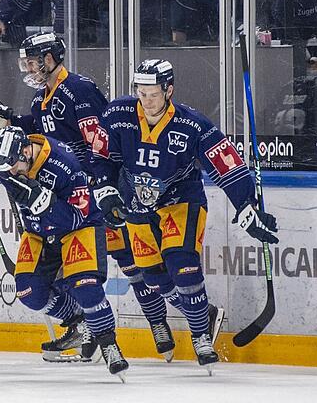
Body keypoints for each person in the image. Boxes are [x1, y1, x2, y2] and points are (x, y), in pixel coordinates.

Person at [0, 33, 179, 362]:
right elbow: (39, 134)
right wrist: (8, 119)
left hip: (97, 191)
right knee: (75, 271)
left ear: (49, 59)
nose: (27, 68)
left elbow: (101, 141)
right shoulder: (39, 98)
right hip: (71, 195)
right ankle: (86, 325)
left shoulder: (79, 90)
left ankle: (160, 321)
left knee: (133, 262)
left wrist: (102, 185)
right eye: (25, 62)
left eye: (32, 61)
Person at [99, 59, 279, 371]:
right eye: (142, 93)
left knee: (182, 265)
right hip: (136, 205)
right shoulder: (117, 115)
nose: (147, 101)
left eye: (153, 94)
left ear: (169, 90)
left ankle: (200, 337)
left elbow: (228, 165)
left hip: (180, 201)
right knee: (154, 278)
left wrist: (246, 206)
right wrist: (105, 188)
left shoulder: (192, 124)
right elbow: (101, 156)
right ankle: (204, 313)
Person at [0, 126, 129, 379]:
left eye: (13, 167)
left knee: (86, 287)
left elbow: (77, 216)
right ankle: (79, 321)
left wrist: (43, 202)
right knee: (29, 292)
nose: (10, 173)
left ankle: (109, 344)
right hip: (38, 232)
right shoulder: (3, 158)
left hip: (81, 226)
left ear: (25, 151)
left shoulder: (64, 163)